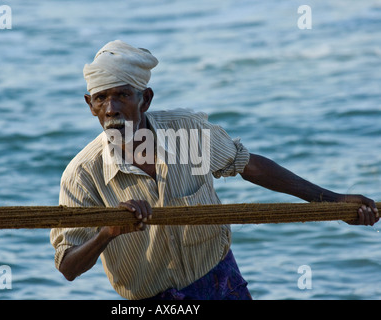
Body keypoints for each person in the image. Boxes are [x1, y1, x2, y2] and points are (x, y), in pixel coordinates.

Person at [50, 40, 379, 300]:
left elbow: (249, 166)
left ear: (145, 99)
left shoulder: (186, 133)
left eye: (122, 95)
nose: (111, 108)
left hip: (221, 283)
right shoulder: (83, 175)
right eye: (101, 98)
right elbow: (68, 267)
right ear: (89, 104)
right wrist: (108, 231)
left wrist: (333, 202)